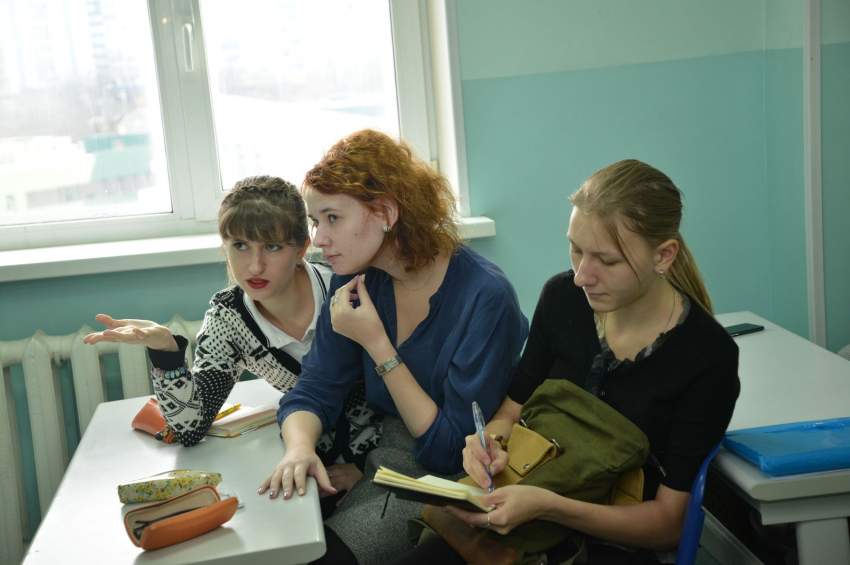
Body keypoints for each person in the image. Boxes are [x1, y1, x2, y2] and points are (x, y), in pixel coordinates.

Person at [396, 159, 741, 565]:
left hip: (612, 544)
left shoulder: (707, 356)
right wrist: (489, 444)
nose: (581, 276)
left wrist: (548, 506)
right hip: (521, 514)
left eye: (607, 261)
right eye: (576, 250)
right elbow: (510, 411)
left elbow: (668, 525)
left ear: (663, 256)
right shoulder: (562, 299)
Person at [259, 129, 529, 564]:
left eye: (332, 218)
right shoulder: (355, 280)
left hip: (452, 484)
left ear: (385, 212)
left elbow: (448, 451)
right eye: (315, 221)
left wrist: (377, 343)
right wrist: (299, 448)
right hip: (384, 467)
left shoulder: (485, 296)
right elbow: (314, 389)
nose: (319, 238)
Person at [83, 176, 380, 494]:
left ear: (301, 249)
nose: (255, 266)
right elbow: (190, 428)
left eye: (272, 247)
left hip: (387, 462)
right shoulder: (229, 318)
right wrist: (166, 352)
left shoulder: (348, 287)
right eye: (240, 246)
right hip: (308, 465)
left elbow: (403, 389)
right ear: (224, 248)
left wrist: (370, 467)